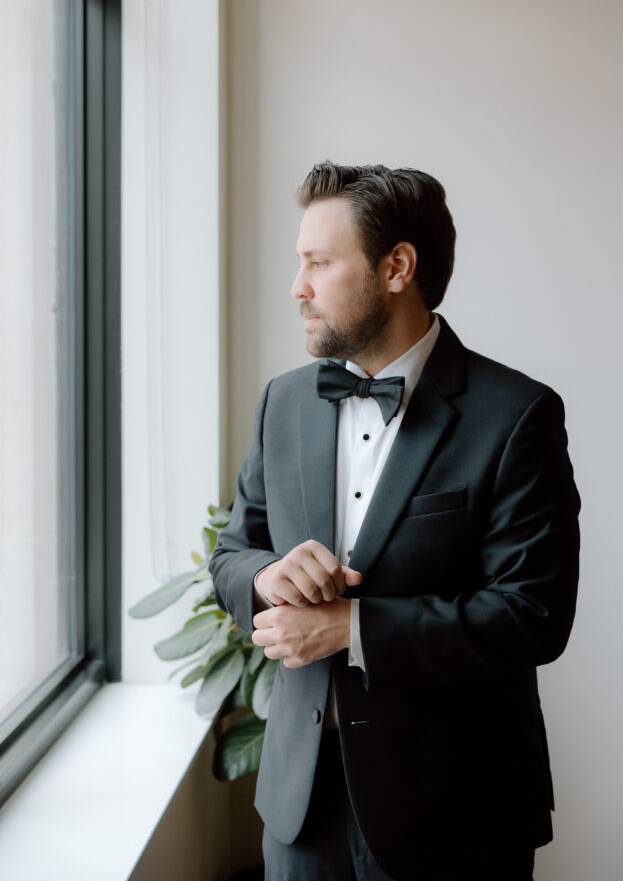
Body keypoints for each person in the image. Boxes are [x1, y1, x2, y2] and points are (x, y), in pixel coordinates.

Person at [210, 161, 580, 881]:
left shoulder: (517, 415)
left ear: (396, 267)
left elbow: (534, 613)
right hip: (301, 809)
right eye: (299, 263)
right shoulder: (281, 403)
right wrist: (265, 575)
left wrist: (350, 628)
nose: (298, 288)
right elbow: (233, 551)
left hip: (458, 810)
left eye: (319, 263)